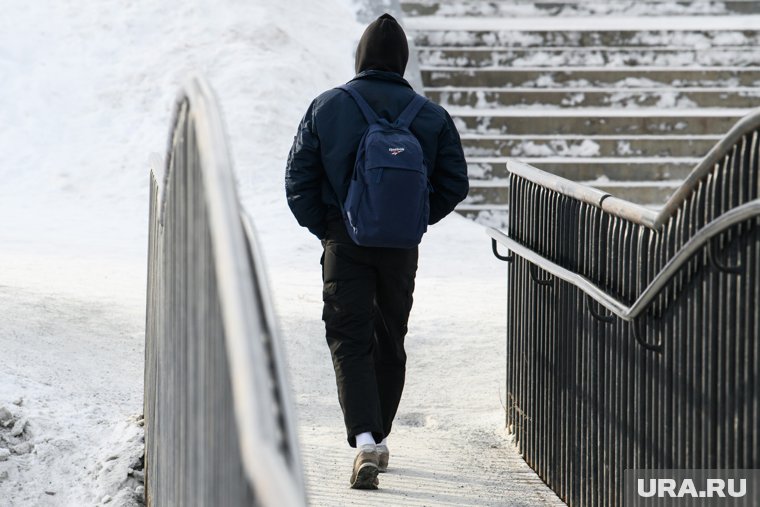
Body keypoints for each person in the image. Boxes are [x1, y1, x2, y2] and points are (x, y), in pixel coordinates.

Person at [285, 13, 468, 490]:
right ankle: (379, 433)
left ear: (361, 57)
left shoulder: (328, 107)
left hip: (345, 242)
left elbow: (298, 179)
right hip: (400, 248)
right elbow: (455, 183)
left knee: (349, 335)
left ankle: (367, 438)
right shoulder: (430, 115)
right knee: (391, 335)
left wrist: (329, 227)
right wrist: (413, 221)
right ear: (402, 61)